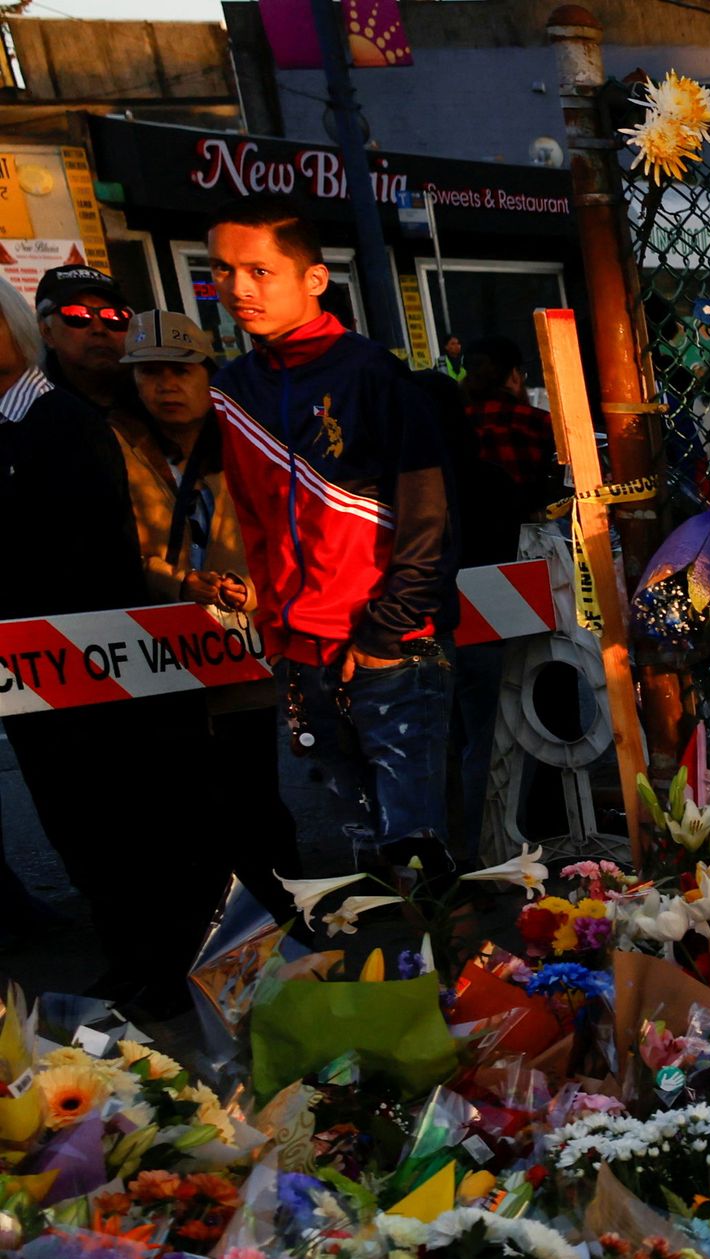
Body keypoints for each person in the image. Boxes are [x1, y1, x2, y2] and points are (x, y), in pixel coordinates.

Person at [0, 262, 232, 1019]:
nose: (99, 329)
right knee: (81, 832)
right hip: (36, 677)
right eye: (79, 316)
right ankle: (134, 962)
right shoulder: (37, 416)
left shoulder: (67, 422)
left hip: (109, 665)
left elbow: (91, 558)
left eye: (111, 317)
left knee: (149, 826)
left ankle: (175, 972)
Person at [206, 199, 456, 859]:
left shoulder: (373, 372)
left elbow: (428, 513)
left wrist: (388, 630)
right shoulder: (232, 387)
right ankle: (391, 964)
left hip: (389, 649)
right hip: (300, 652)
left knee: (415, 850)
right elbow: (254, 521)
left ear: (314, 279)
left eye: (259, 270)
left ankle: (451, 959)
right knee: (362, 852)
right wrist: (276, 634)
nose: (238, 288)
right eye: (223, 270)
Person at [115, 310, 299, 900]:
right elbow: (110, 547)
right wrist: (176, 582)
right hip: (163, 652)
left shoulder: (251, 434)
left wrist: (257, 588)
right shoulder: (116, 444)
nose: (165, 385)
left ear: (207, 373)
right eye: (149, 373)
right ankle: (218, 924)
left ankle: (284, 911)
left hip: (245, 644)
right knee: (191, 798)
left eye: (179, 370)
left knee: (254, 786)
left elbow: (290, 527)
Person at [445, 347, 560, 852]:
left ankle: (475, 839)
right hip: (524, 577)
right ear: (514, 374)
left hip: (450, 595)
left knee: (470, 730)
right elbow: (547, 497)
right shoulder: (534, 424)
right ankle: (541, 820)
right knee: (542, 701)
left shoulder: (445, 454)